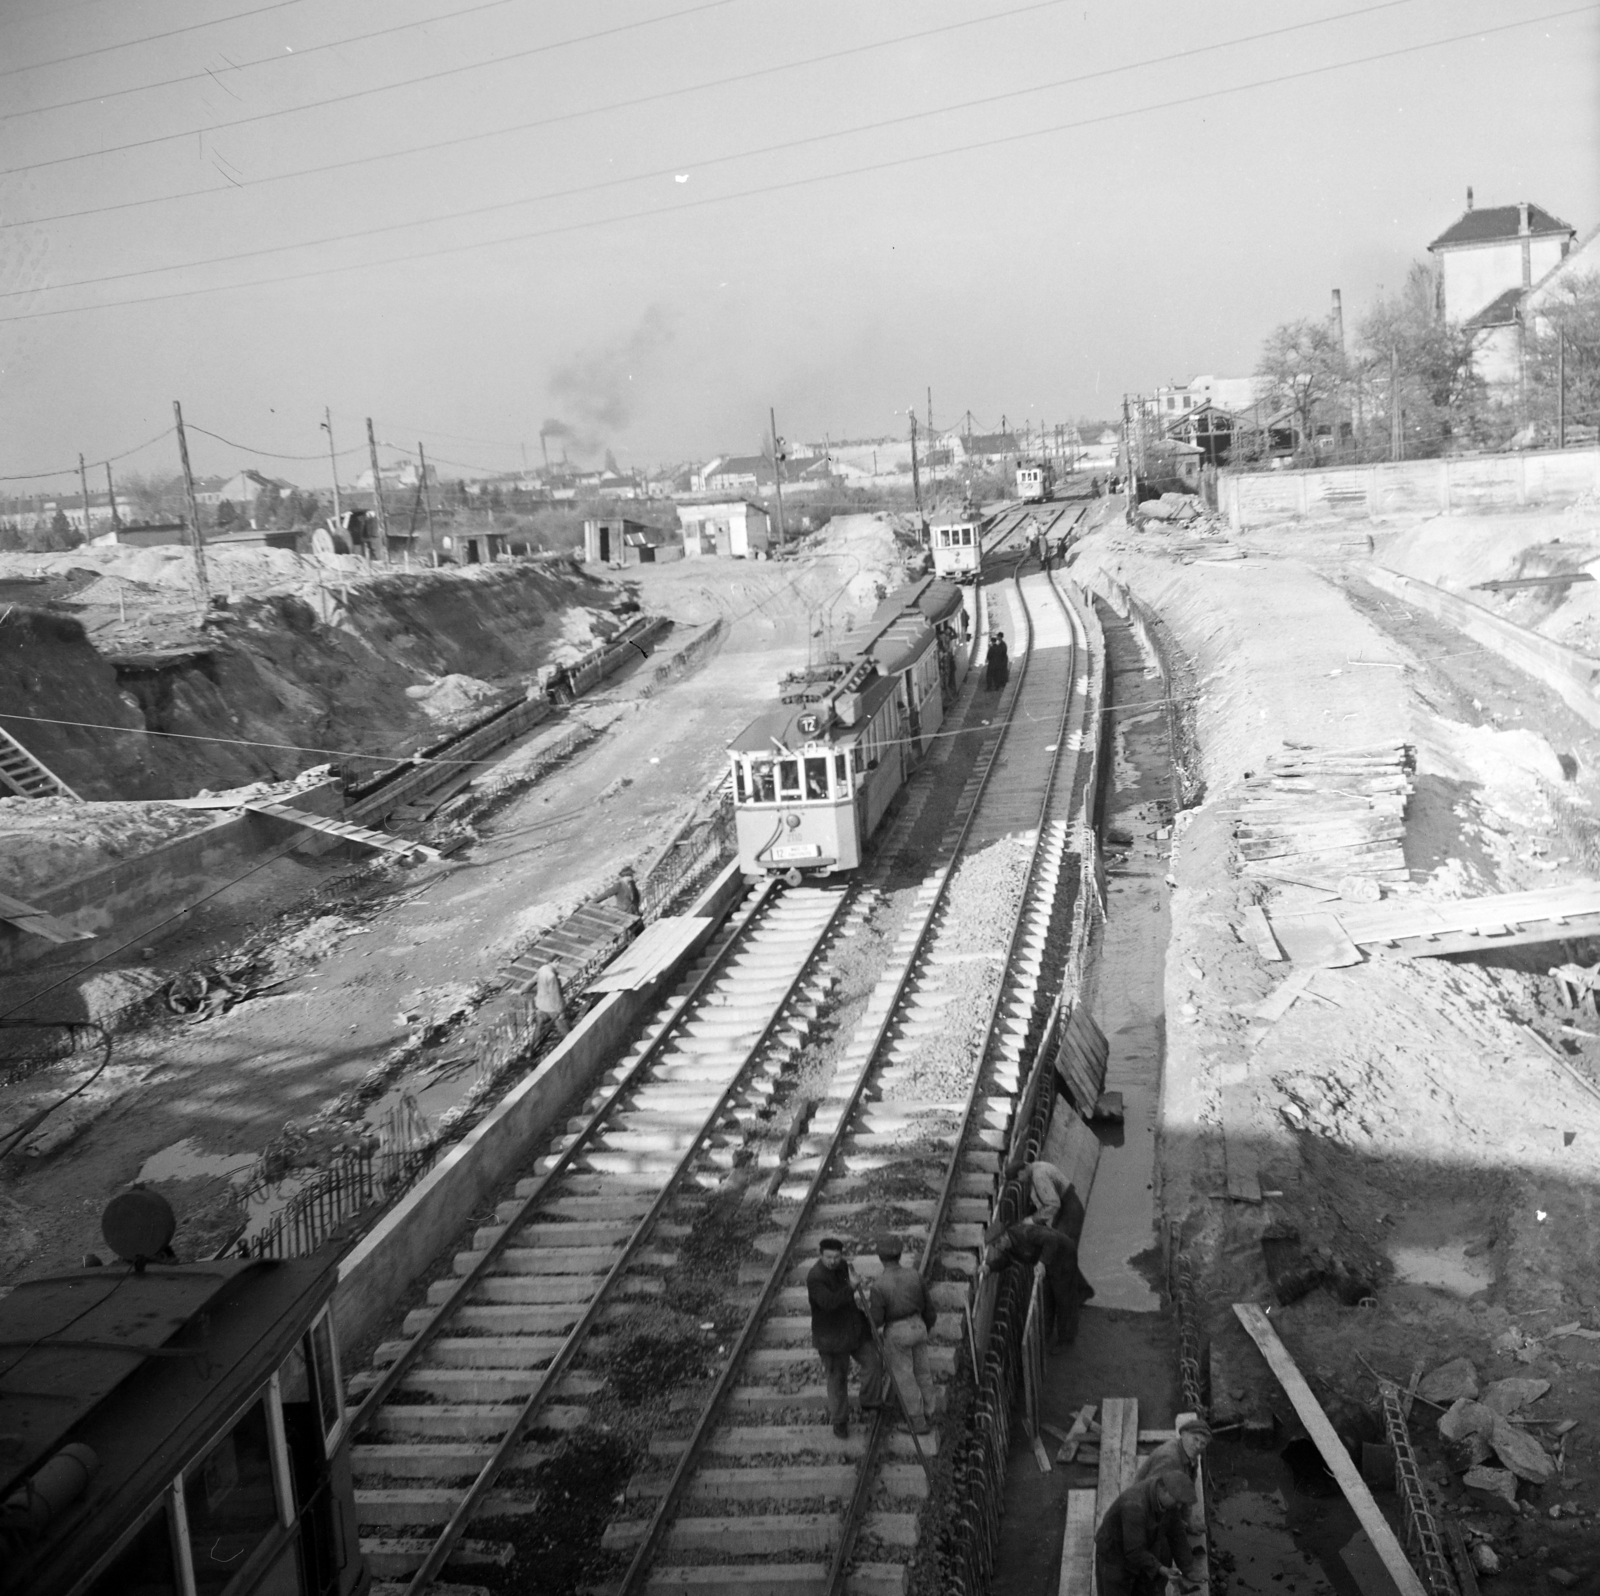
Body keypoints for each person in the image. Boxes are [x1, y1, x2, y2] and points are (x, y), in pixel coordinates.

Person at [806, 1237, 881, 1439]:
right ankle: (840, 1421)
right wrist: (851, 1287)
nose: (833, 1261)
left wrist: (856, 1282)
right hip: (831, 1338)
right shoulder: (815, 1277)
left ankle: (870, 1403)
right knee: (837, 1379)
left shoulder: (843, 1266)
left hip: (852, 1329)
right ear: (821, 1255)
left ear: (842, 1255)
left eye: (837, 1257)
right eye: (829, 1257)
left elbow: (850, 1286)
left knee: (873, 1362)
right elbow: (828, 1302)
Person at [984, 1214, 1094, 1347]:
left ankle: (1067, 1339)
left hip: (1063, 1255)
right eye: (994, 1245)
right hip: (1049, 1262)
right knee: (1048, 1298)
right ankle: (1047, 1334)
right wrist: (989, 1268)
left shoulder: (1025, 1233)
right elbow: (1007, 1260)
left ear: (1004, 1236)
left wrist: (1042, 1262)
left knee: (1064, 1299)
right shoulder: (1009, 1245)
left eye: (997, 1243)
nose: (997, 1247)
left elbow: (1052, 1239)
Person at [866, 1234, 936, 1433]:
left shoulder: (879, 1285)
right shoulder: (914, 1275)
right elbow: (929, 1308)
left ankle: (918, 1421)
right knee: (923, 1371)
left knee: (904, 1377)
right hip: (919, 1325)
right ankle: (931, 1411)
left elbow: (877, 1319)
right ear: (900, 1254)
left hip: (898, 1332)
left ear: (880, 1257)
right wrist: (925, 1327)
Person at [1093, 1471, 1200, 1595]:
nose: (1179, 1506)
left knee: (1147, 1589)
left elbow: (1176, 1533)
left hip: (1142, 1545)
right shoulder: (1135, 1506)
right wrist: (1162, 1569)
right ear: (1163, 1491)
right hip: (1114, 1554)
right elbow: (1134, 1551)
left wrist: (1187, 1568)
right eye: (1177, 1502)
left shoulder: (1167, 1501)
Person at [1134, 1419, 1211, 1530]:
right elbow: (1151, 1495)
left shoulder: (1190, 1454)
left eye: (1203, 1443)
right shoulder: (1170, 1459)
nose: (1198, 1446)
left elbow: (1188, 1485)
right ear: (1183, 1434)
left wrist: (1188, 1520)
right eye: (1195, 1439)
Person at [533, 962, 569, 1038]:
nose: (558, 964)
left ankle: (533, 1046)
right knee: (563, 1026)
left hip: (540, 1005)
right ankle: (571, 1042)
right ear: (552, 961)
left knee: (539, 1026)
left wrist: (523, 990)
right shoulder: (551, 976)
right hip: (551, 1007)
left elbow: (533, 981)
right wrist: (560, 1011)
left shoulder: (542, 969)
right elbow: (555, 995)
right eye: (557, 962)